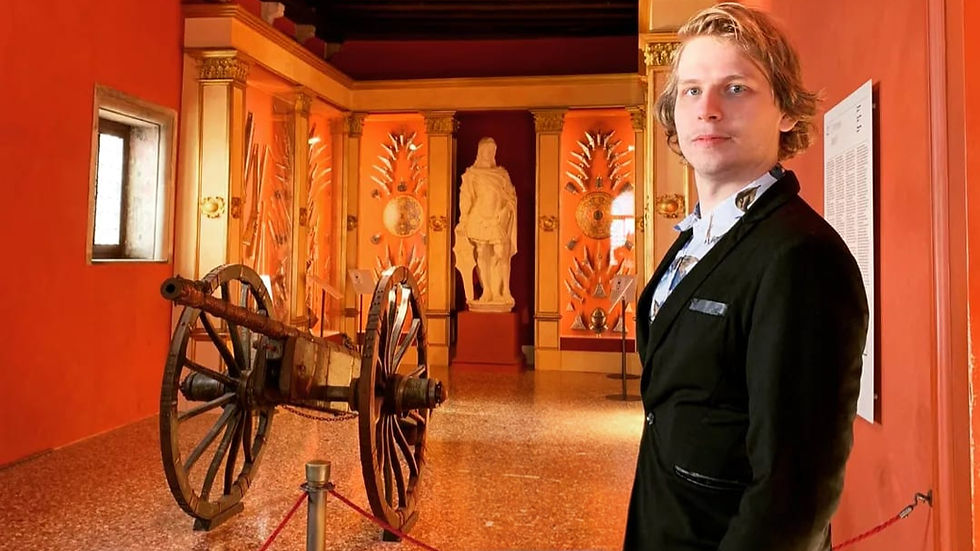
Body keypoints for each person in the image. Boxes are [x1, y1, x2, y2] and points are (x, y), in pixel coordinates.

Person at [624, 4, 869, 550]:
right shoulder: (696, 239)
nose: (707, 110)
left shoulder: (801, 257)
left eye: (735, 89)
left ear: (785, 110)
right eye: (691, 91)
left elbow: (795, 491)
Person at [454, 137, 518, 311]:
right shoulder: (472, 174)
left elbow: (510, 196)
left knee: (501, 253)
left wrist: (506, 210)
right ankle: (487, 291)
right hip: (478, 217)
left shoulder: (501, 174)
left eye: (493, 151)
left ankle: (504, 290)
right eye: (487, 151)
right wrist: (463, 219)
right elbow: (466, 197)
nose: (490, 154)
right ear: (480, 152)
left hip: (497, 218)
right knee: (481, 253)